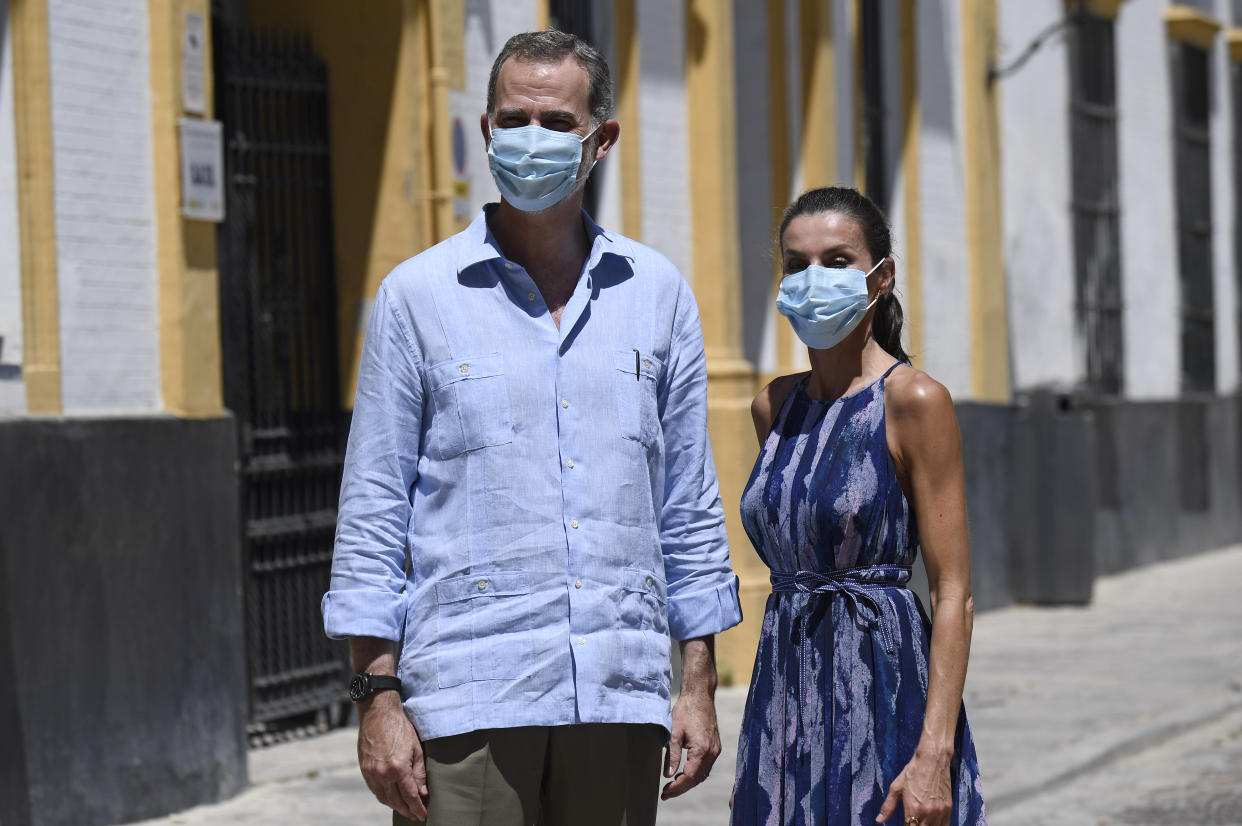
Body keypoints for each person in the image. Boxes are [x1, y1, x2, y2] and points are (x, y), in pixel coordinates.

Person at [321, 29, 742, 826]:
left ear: (601, 139)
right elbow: (373, 508)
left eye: (556, 123)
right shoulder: (418, 298)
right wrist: (377, 697)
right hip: (469, 695)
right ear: (485, 132)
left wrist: (697, 684)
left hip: (617, 693)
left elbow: (686, 504)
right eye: (513, 120)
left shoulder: (656, 293)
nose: (531, 141)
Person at [730, 187, 987, 826]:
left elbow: (953, 590)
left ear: (882, 277)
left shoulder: (914, 401)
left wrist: (935, 750)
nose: (813, 279)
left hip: (883, 684)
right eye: (797, 265)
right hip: (785, 686)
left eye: (838, 261)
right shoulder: (774, 407)